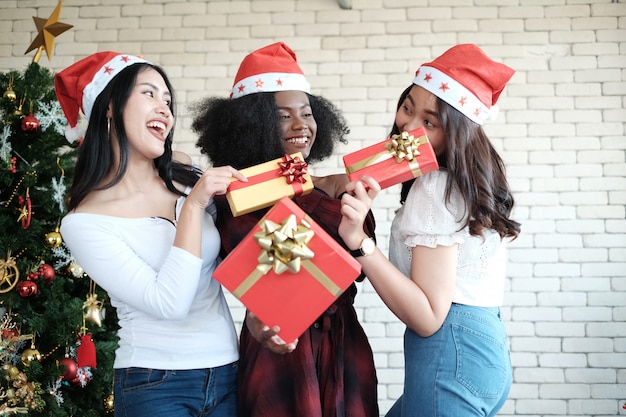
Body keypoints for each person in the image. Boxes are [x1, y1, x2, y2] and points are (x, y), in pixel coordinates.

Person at [191, 42, 379, 417]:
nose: (301, 126)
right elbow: (262, 279)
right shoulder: (234, 199)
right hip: (278, 344)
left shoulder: (338, 185)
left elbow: (360, 261)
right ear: (252, 124)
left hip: (343, 338)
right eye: (283, 116)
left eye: (307, 113)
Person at [55, 51, 246, 417]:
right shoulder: (85, 222)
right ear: (109, 106)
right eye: (149, 94)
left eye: (168, 100)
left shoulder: (186, 178)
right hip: (155, 385)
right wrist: (192, 208)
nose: (165, 110)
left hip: (228, 373)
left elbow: (236, 251)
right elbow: (168, 303)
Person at [338, 44, 521, 417]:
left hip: (450, 354)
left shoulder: (435, 186)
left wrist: (359, 242)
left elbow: (427, 316)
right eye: (408, 107)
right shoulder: (463, 182)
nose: (408, 126)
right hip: (481, 352)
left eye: (430, 122)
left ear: (457, 132)